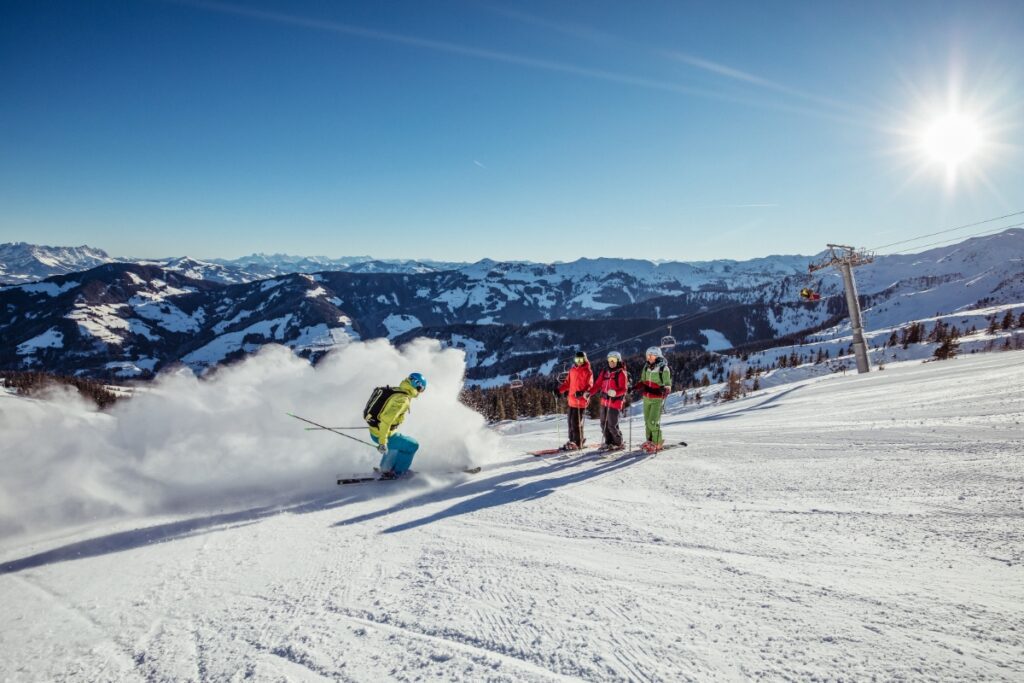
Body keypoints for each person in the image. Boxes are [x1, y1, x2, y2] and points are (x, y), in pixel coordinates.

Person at [364, 372, 427, 478]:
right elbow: (386, 421)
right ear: (417, 385)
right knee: (412, 445)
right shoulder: (402, 399)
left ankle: (385, 467)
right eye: (421, 389)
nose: (420, 393)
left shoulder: (398, 390)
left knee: (400, 441)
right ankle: (398, 472)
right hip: (382, 434)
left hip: (377, 430)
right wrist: (382, 442)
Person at [635, 347, 671, 452]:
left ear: (658, 356)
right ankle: (649, 442)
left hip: (657, 399)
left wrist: (665, 389)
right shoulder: (646, 367)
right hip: (646, 398)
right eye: (648, 356)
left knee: (652, 422)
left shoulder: (664, 369)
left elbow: (668, 385)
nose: (649, 358)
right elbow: (643, 381)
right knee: (647, 422)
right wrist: (634, 387)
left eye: (652, 356)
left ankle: (657, 443)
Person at [557, 351, 594, 450]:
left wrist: (582, 392)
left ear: (585, 359)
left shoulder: (588, 371)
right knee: (570, 422)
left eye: (581, 360)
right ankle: (572, 440)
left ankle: (578, 442)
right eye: (577, 360)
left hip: (581, 401)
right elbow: (567, 383)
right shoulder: (572, 370)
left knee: (576, 422)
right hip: (572, 400)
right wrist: (559, 390)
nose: (579, 362)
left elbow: (590, 386)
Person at [594, 351, 628, 450]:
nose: (611, 362)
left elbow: (624, 389)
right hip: (604, 401)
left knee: (612, 424)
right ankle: (608, 442)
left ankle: (618, 443)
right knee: (603, 423)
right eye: (610, 360)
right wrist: (589, 393)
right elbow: (597, 385)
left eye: (614, 360)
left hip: (615, 402)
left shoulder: (621, 373)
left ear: (618, 361)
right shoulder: (604, 372)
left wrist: (615, 393)